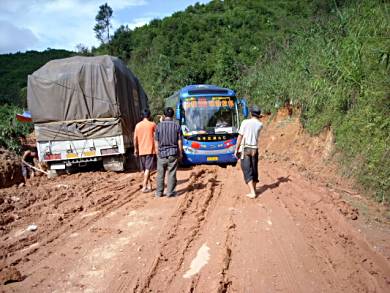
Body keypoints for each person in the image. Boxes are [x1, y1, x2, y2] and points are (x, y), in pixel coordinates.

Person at [234, 105, 263, 198]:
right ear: (258, 115)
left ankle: (252, 192)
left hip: (245, 148)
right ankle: (254, 189)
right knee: (254, 169)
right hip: (254, 149)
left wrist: (236, 149)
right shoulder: (260, 124)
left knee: (247, 169)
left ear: (251, 113)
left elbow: (240, 137)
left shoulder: (245, 122)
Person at [154, 107, 183, 197]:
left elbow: (156, 141)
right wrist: (181, 152)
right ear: (173, 115)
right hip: (172, 153)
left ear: (164, 115)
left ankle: (159, 193)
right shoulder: (176, 126)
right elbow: (179, 141)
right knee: (171, 173)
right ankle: (170, 192)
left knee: (160, 174)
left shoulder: (158, 126)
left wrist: (157, 153)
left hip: (161, 153)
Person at [134, 109, 157, 193]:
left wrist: (135, 149)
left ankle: (150, 186)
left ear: (141, 116)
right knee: (148, 169)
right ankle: (144, 186)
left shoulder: (137, 125)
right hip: (150, 149)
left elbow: (135, 138)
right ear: (149, 115)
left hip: (141, 150)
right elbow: (156, 137)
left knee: (145, 169)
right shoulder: (153, 124)